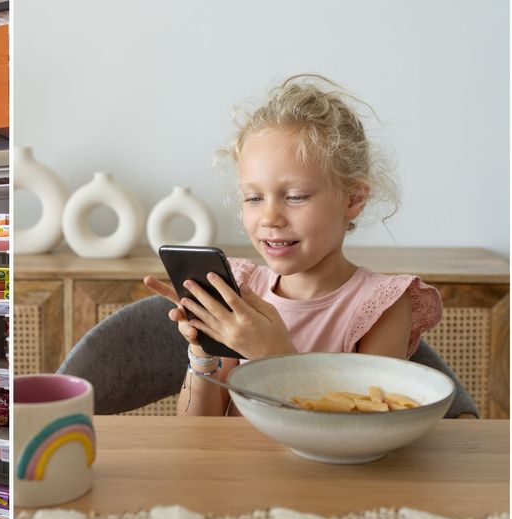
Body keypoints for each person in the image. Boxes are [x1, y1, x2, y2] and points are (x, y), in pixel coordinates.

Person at [144, 74, 452, 417]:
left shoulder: (380, 306)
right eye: (254, 197)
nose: (270, 217)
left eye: (295, 197)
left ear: (353, 198)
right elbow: (197, 432)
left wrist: (274, 356)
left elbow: (367, 430)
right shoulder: (244, 289)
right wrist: (203, 354)